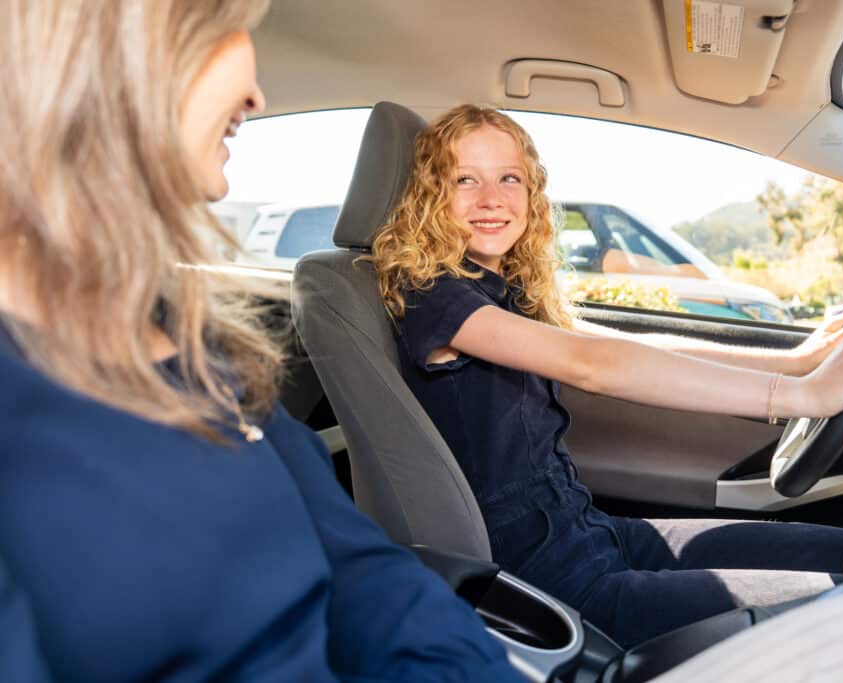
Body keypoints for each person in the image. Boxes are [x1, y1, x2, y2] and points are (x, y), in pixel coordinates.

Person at [0, 2, 521, 681]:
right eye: (221, 33)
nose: (257, 93)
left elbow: (364, 570)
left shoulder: (187, 341)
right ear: (98, 60)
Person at [371, 104, 843, 647]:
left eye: (509, 178)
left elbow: (626, 346)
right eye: (465, 179)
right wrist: (805, 394)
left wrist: (798, 359)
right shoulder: (436, 300)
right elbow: (595, 365)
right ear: (431, 195)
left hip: (593, 532)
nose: (491, 199)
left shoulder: (505, 295)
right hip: (550, 579)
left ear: (532, 193)